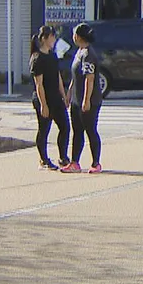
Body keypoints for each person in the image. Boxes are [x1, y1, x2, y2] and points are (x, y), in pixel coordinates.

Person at [62, 23, 104, 173]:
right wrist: (69, 93)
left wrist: (86, 100)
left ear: (78, 36)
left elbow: (89, 79)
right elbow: (76, 75)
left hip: (89, 101)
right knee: (77, 130)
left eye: (74, 34)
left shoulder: (88, 54)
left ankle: (96, 163)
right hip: (76, 99)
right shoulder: (79, 52)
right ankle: (75, 162)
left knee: (90, 130)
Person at [29, 25, 70, 171]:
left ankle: (63, 157)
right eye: (51, 36)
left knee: (65, 127)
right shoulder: (37, 58)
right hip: (44, 98)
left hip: (56, 97)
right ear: (44, 39)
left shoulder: (52, 55)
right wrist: (43, 105)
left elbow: (57, 76)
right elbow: (39, 84)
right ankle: (44, 159)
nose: (54, 39)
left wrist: (64, 95)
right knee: (44, 129)